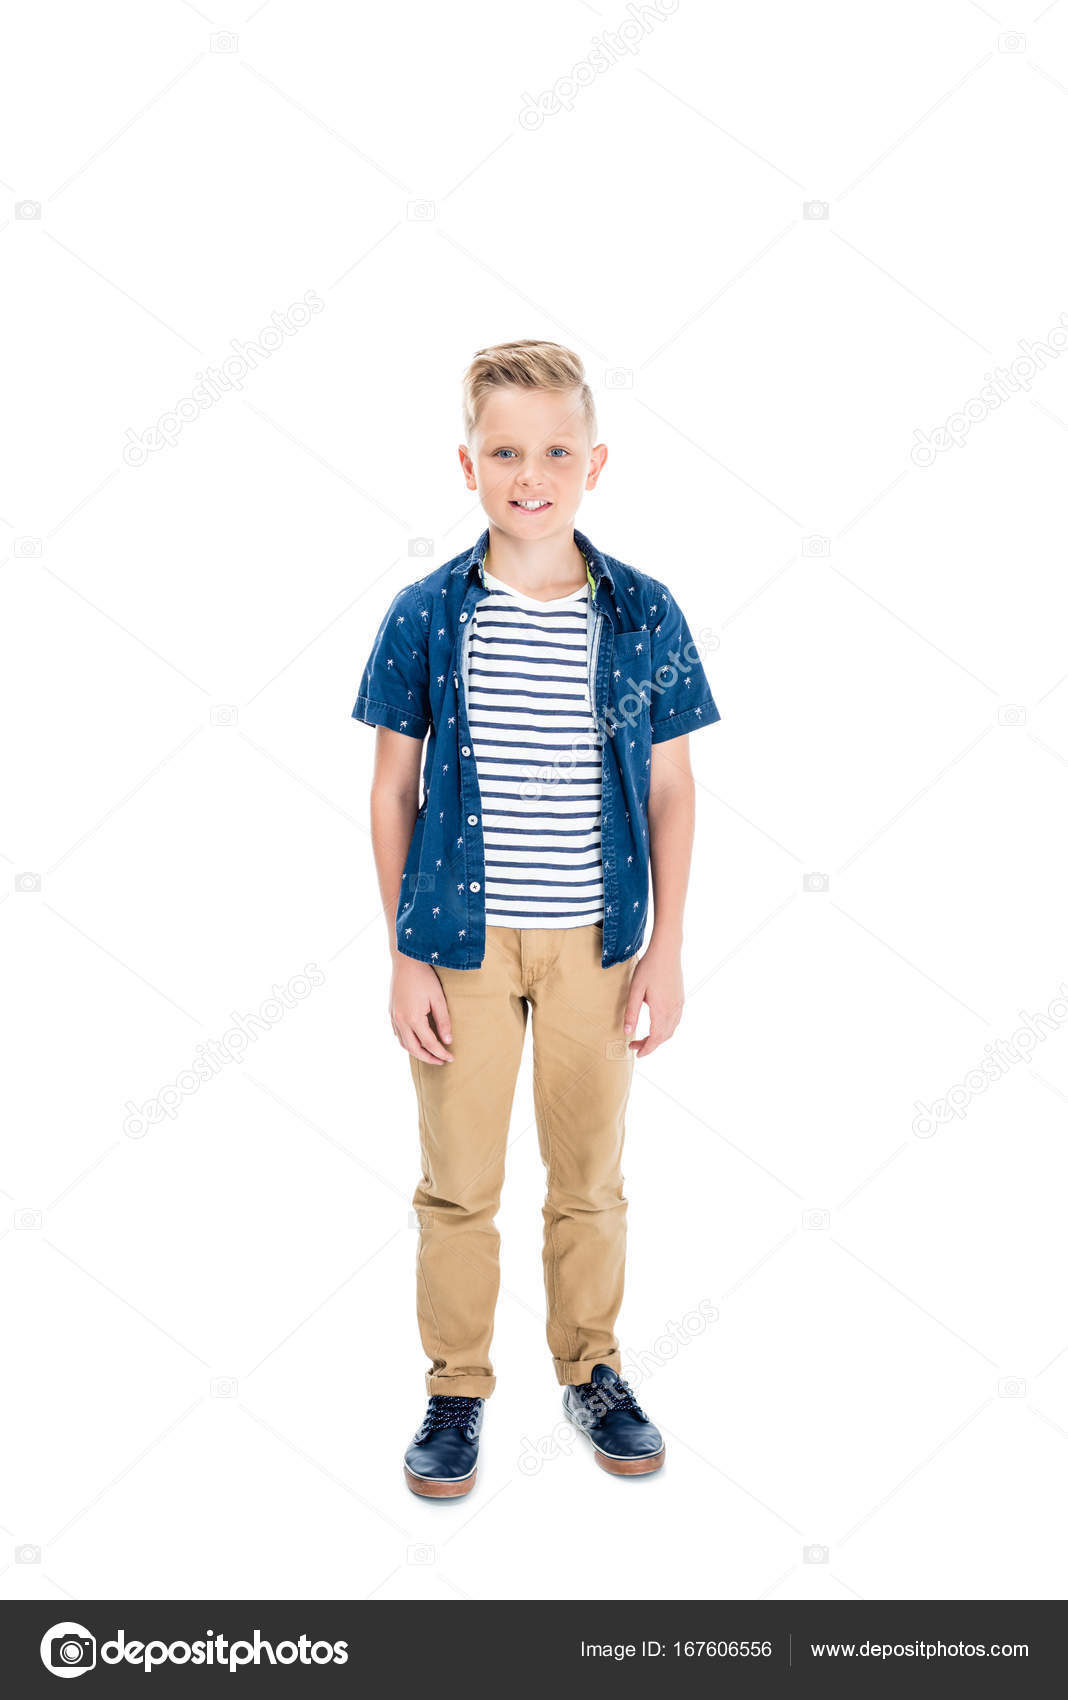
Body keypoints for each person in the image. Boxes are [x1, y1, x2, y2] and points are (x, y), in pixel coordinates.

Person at [351, 340, 720, 1496]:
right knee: (458, 1182)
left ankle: (592, 1369)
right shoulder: (426, 613)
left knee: (590, 1176)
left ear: (594, 462)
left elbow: (671, 787)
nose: (532, 474)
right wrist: (405, 954)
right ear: (468, 464)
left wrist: (665, 946)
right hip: (458, 943)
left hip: (596, 946)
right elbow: (391, 788)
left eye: (557, 450)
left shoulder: (644, 612)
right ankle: (456, 1386)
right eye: (506, 451)